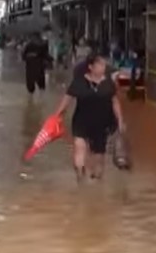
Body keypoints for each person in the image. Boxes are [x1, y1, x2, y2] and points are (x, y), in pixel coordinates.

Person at [53, 52, 125, 180]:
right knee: (79, 147)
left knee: (99, 156)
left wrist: (120, 120)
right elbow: (66, 100)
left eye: (104, 65)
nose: (103, 67)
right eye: (100, 65)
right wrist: (57, 116)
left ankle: (96, 184)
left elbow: (115, 102)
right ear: (91, 67)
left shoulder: (108, 84)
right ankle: (80, 177)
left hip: (102, 123)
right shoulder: (79, 82)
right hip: (81, 121)